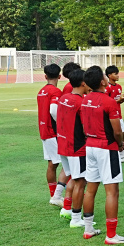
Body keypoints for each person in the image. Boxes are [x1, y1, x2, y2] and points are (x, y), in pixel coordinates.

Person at [80, 65, 124, 244]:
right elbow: (117, 131)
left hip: (90, 146)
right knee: (112, 192)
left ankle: (88, 229)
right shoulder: (109, 102)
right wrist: (120, 144)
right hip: (106, 148)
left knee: (91, 189)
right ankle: (111, 235)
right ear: (103, 81)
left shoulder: (85, 100)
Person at [56, 69, 90, 227]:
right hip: (76, 147)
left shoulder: (64, 98)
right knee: (80, 181)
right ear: (83, 83)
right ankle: (76, 219)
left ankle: (67, 209)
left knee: (74, 178)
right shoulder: (80, 102)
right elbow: (85, 128)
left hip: (63, 145)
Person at [37, 63, 68, 207]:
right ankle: (58, 195)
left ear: (45, 76)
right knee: (65, 162)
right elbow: (53, 111)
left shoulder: (41, 91)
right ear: (59, 76)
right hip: (52, 131)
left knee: (52, 163)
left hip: (43, 130)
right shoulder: (56, 91)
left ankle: (54, 195)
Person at [105, 65, 124, 163]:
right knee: (113, 135)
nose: (118, 75)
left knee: (122, 134)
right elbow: (106, 103)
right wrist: (118, 100)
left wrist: (121, 100)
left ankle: (122, 156)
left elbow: (116, 102)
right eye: (115, 74)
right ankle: (114, 155)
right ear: (109, 75)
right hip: (111, 116)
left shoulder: (119, 87)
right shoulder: (107, 88)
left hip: (119, 114)